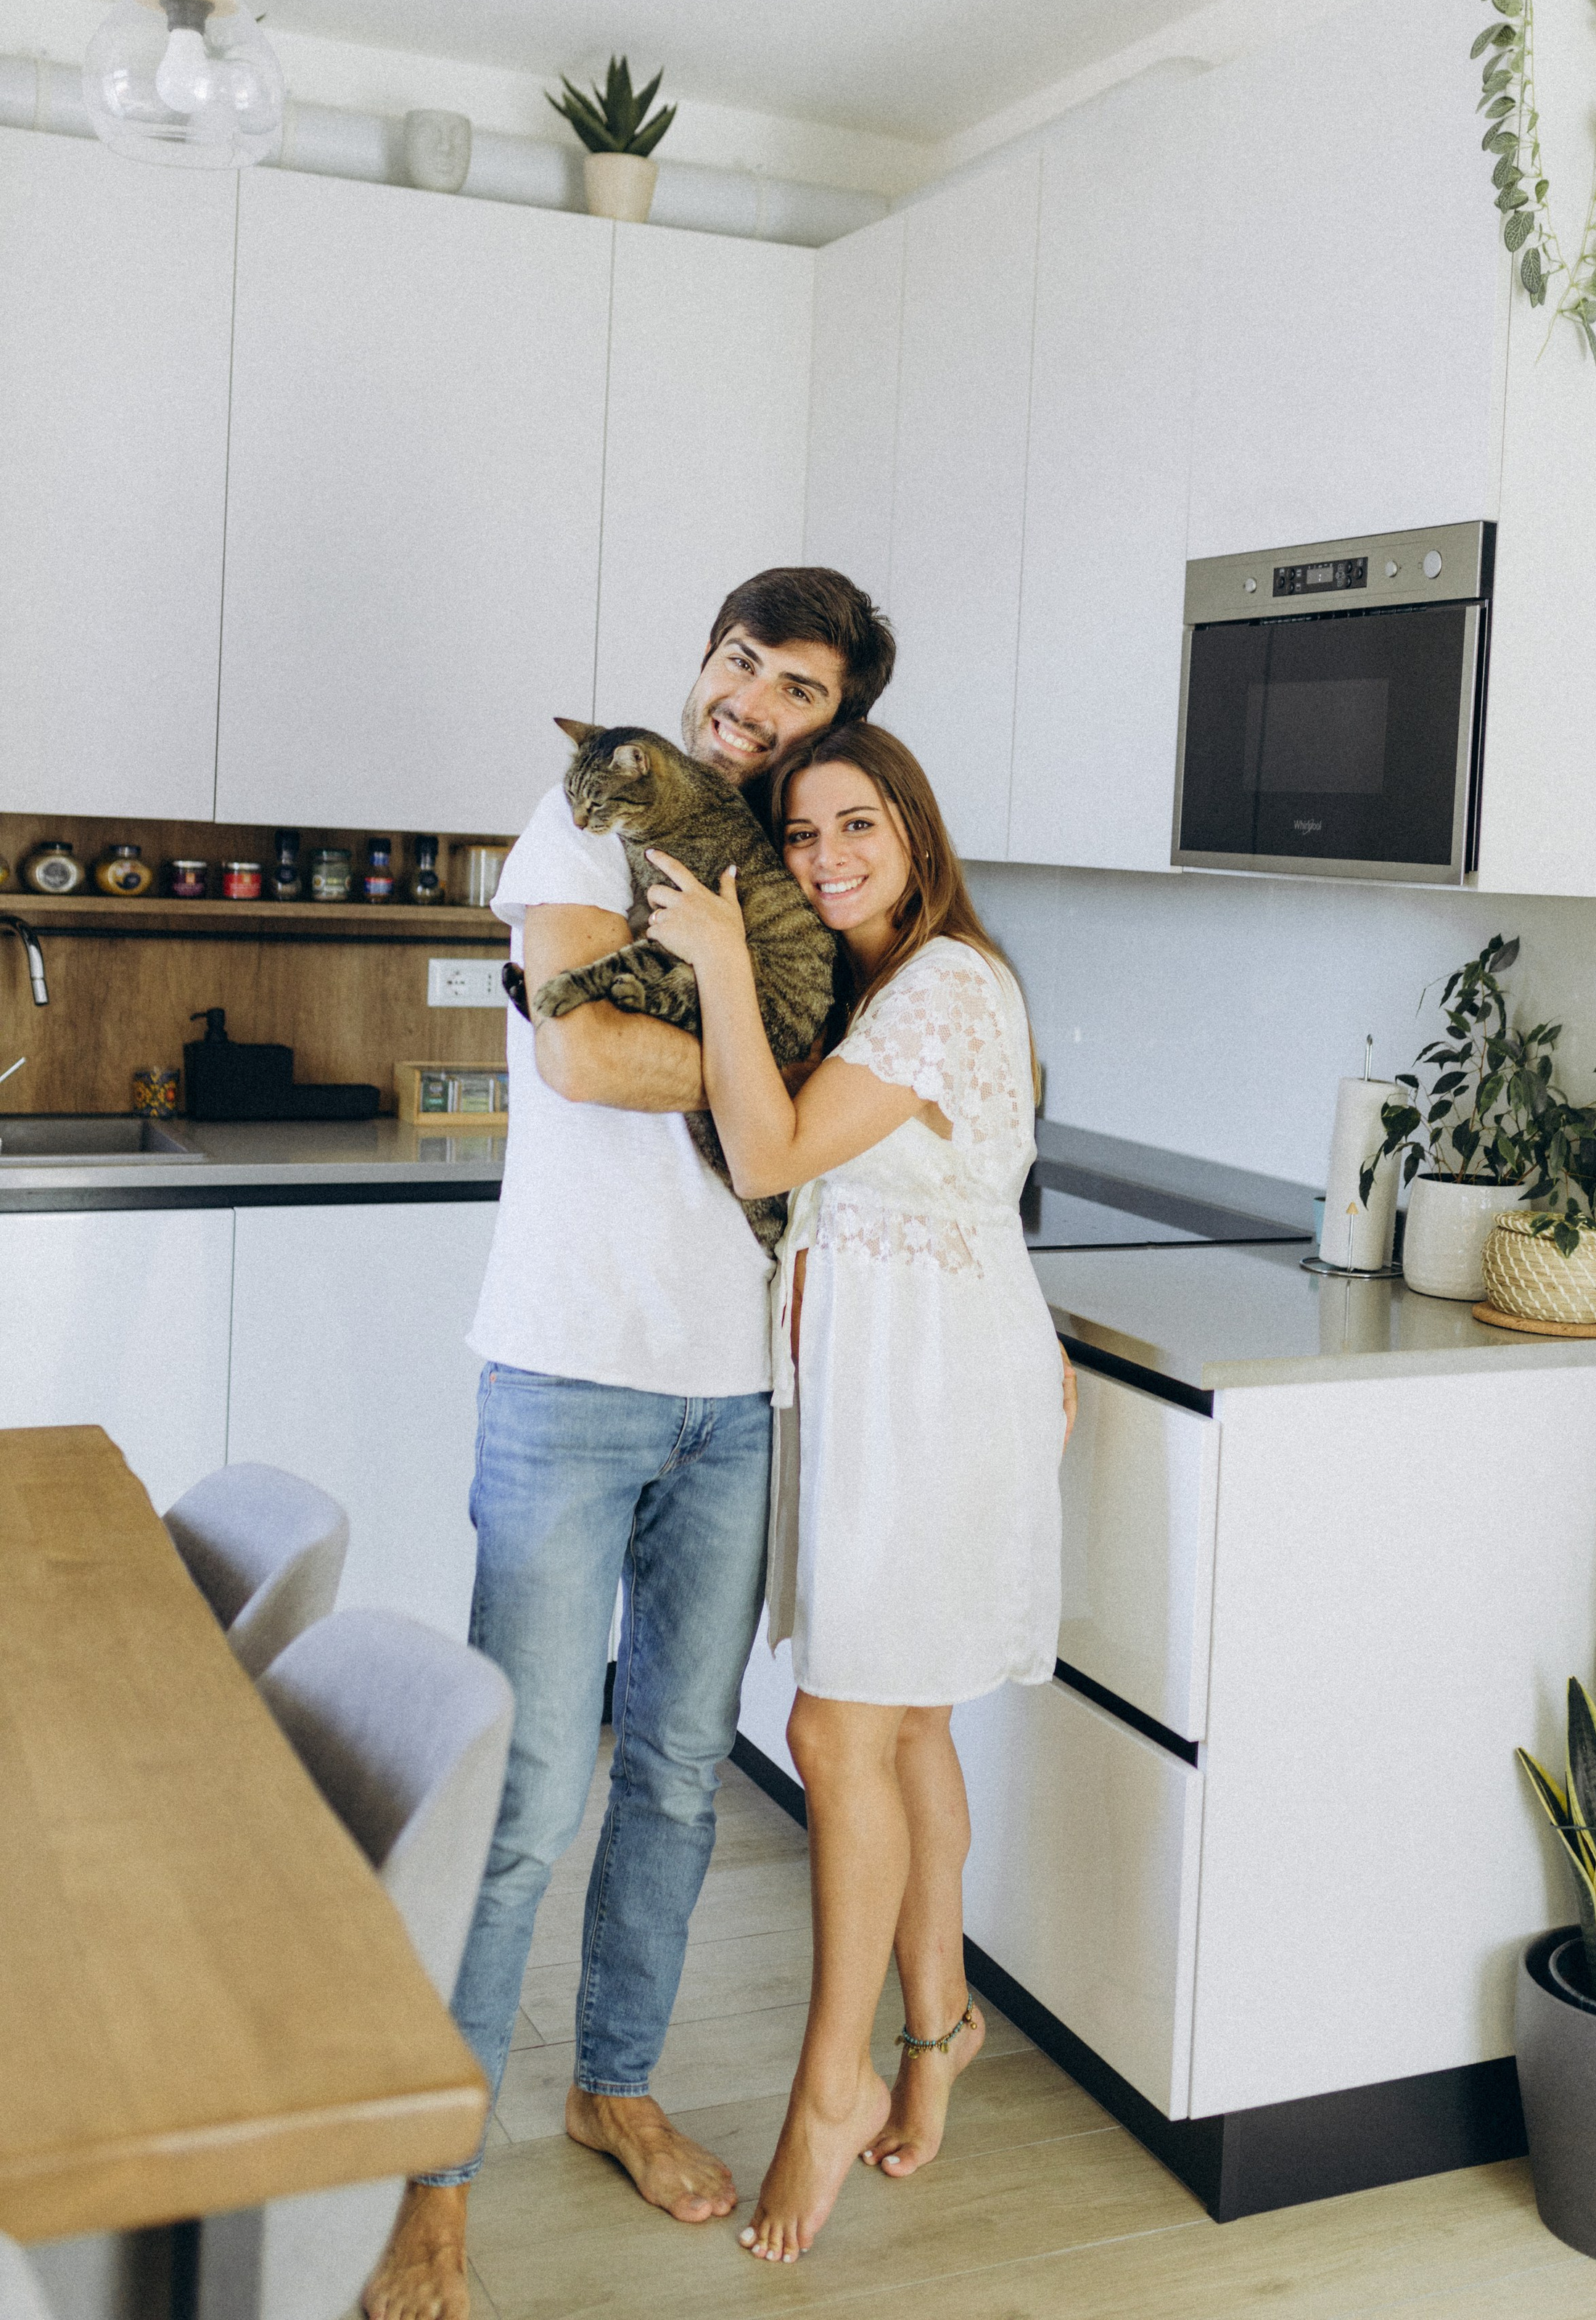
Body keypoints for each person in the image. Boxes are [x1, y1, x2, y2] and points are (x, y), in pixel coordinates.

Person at [363, 569, 895, 2320]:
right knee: (520, 1801)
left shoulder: (787, 868)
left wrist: (754, 1056)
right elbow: (587, 1057)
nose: (752, 697)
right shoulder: (588, 818)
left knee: (674, 1774)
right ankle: (431, 2186)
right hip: (567, 1371)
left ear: (836, 720)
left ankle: (611, 2085)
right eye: (742, 659)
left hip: (733, 1393)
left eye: (797, 686)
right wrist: (764, 1076)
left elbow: (796, 1065)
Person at [642, 719, 1076, 2264]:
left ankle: (828, 2085)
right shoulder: (897, 981)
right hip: (910, 1386)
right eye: (799, 833)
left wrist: (707, 950)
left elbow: (766, 1157)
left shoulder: (948, 981)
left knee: (840, 1729)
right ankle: (936, 2032)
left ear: (912, 824)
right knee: (906, 1726)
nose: (824, 856)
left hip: (934, 1401)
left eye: (853, 825)